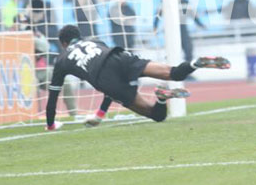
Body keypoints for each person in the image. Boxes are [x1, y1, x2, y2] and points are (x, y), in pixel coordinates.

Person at [44, 25, 230, 129]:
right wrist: (99, 115)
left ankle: (161, 97)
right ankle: (194, 63)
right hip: (120, 57)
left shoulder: (61, 60)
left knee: (156, 115)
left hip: (106, 78)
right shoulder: (94, 41)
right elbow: (105, 61)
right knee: (172, 72)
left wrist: (51, 124)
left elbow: (52, 98)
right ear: (80, 36)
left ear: (63, 43)